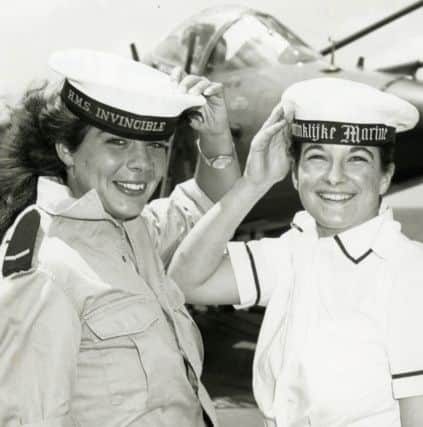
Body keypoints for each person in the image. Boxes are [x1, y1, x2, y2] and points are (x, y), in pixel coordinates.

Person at [0, 48, 242, 427]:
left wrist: (215, 136)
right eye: (117, 143)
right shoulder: (47, 269)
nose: (143, 165)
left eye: (155, 146)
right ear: (67, 148)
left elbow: (210, 204)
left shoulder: (133, 230)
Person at [168, 77, 423, 427]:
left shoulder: (409, 274)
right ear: (294, 173)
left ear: (384, 177)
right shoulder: (295, 252)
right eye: (318, 158)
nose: (334, 177)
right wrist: (253, 183)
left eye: (357, 160)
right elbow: (184, 282)